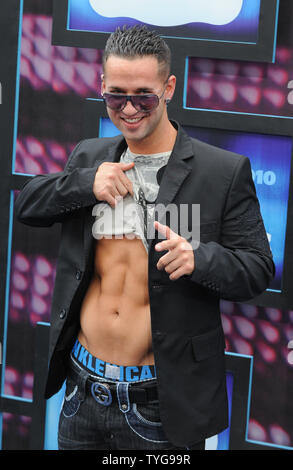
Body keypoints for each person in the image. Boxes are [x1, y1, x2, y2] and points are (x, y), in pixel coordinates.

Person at [15, 25, 275, 451]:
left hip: (158, 404)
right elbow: (28, 205)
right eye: (117, 95)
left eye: (144, 96)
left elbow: (258, 269)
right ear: (101, 86)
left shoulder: (220, 172)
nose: (130, 108)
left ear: (169, 87)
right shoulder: (90, 156)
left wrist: (199, 259)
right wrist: (85, 184)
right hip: (82, 390)